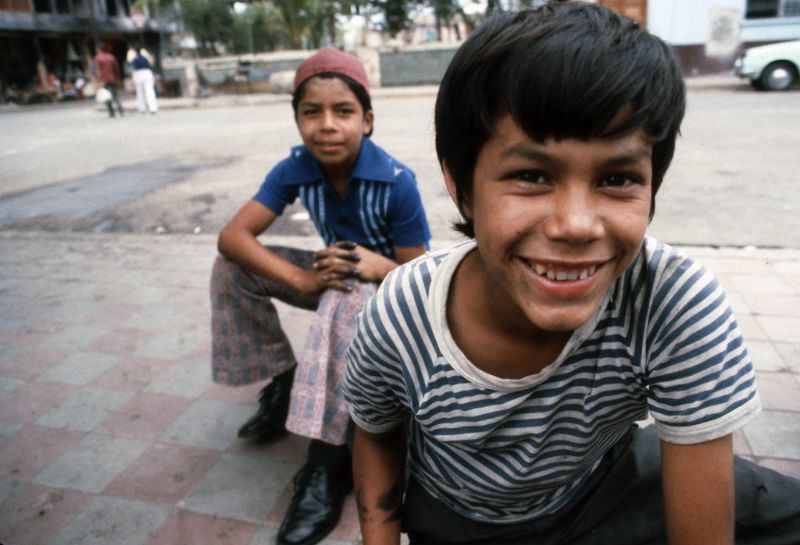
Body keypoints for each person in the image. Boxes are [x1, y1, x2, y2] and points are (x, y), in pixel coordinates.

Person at [344, 4, 800, 545]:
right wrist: (379, 532)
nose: (576, 225)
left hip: (600, 487)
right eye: (531, 175)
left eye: (618, 178)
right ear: (460, 183)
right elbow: (376, 432)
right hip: (459, 514)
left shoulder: (672, 301)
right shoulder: (402, 314)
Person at [210, 47, 431, 545]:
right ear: (298, 121)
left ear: (368, 121)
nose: (327, 125)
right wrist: (303, 281)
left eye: (343, 111)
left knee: (344, 295)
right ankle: (285, 381)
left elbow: (420, 278)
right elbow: (233, 236)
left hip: (386, 291)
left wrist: (376, 267)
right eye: (312, 112)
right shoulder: (295, 168)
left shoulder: (397, 182)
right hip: (329, 274)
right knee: (231, 269)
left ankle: (327, 462)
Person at [94, 42, 124, 118]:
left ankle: (111, 112)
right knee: (115, 95)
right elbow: (116, 68)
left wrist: (97, 81)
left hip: (103, 79)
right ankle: (120, 109)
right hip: (112, 78)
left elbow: (97, 70)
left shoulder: (98, 57)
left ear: (99, 49)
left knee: (106, 96)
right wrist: (118, 77)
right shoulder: (111, 56)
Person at [129, 47, 158, 114]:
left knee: (140, 93)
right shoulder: (146, 58)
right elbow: (151, 64)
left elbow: (132, 66)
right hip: (147, 73)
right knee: (150, 91)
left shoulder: (134, 59)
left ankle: (142, 108)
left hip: (139, 74)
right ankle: (153, 108)